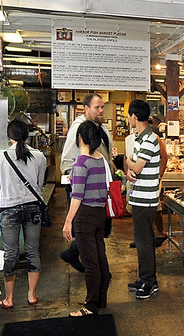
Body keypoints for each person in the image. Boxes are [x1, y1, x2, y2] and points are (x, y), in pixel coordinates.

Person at [0, 119, 47, 309]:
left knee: (11, 254)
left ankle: (9, 299)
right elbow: (39, 184)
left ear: (9, 136)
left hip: (9, 209)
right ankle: (31, 295)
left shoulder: (1, 157)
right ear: (27, 134)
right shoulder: (39, 156)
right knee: (33, 251)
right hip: (33, 208)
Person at [60, 93, 114, 273]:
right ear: (86, 108)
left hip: (100, 188)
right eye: (97, 107)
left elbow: (106, 155)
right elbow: (67, 161)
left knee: (102, 230)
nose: (101, 111)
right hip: (84, 190)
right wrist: (75, 179)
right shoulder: (79, 129)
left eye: (102, 107)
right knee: (87, 230)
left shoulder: (101, 128)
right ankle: (86, 262)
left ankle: (84, 259)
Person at [63, 121, 111, 317]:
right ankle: (100, 299)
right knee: (100, 258)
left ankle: (90, 306)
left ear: (80, 138)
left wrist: (68, 222)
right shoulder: (100, 159)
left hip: (85, 215)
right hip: (100, 214)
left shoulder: (81, 162)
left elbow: (77, 196)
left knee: (90, 263)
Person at [125, 100, 161, 300]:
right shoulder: (140, 138)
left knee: (144, 242)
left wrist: (130, 164)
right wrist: (131, 168)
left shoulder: (150, 139)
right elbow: (134, 167)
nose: (128, 119)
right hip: (139, 195)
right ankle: (147, 278)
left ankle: (148, 282)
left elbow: (136, 166)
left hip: (146, 199)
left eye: (129, 115)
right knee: (142, 240)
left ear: (135, 117)